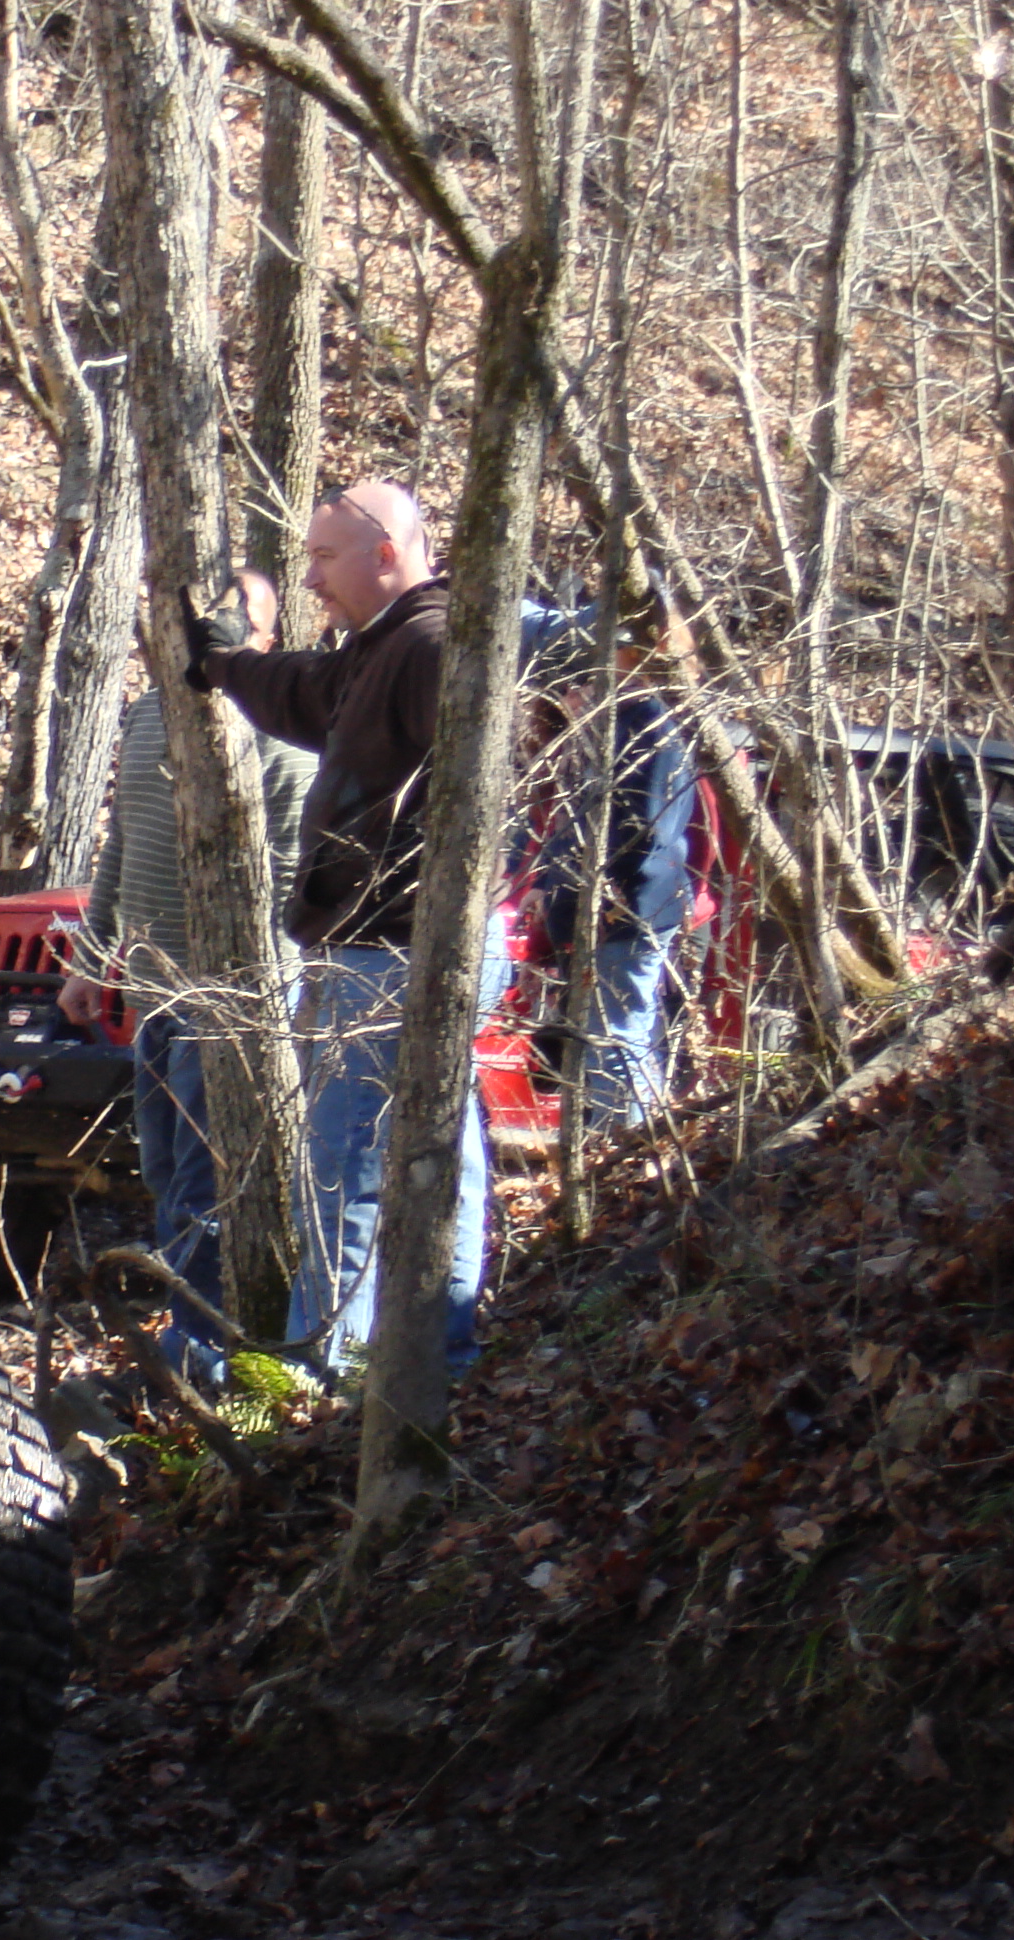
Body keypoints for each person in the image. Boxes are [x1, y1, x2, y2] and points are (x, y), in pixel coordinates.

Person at [190, 480, 488, 1382]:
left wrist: (427, 921)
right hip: (384, 947)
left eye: (324, 558)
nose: (311, 578)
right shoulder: (383, 648)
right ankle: (437, 1364)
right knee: (443, 1159)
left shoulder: (434, 647)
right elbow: (307, 693)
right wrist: (225, 663)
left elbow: (485, 794)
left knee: (346, 1166)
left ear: (386, 554)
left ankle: (318, 1382)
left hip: (397, 951)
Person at [59, 570, 315, 1386]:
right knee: (166, 1176)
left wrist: (264, 991)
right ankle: (186, 1348)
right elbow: (122, 843)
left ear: (268, 638)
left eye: (241, 621)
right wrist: (91, 961)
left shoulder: (281, 728)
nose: (216, 633)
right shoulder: (145, 715)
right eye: (205, 619)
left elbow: (293, 871)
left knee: (208, 1186)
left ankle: (204, 1360)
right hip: (154, 991)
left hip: (233, 999)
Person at [516, 596, 699, 1129]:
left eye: (610, 649)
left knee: (617, 1039)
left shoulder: (652, 723)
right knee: (598, 1039)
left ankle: (628, 1147)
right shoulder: (613, 722)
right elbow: (575, 817)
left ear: (639, 654)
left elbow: (642, 827)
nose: (594, 663)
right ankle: (608, 1144)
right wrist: (547, 880)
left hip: (627, 911)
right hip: (598, 909)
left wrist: (588, 885)